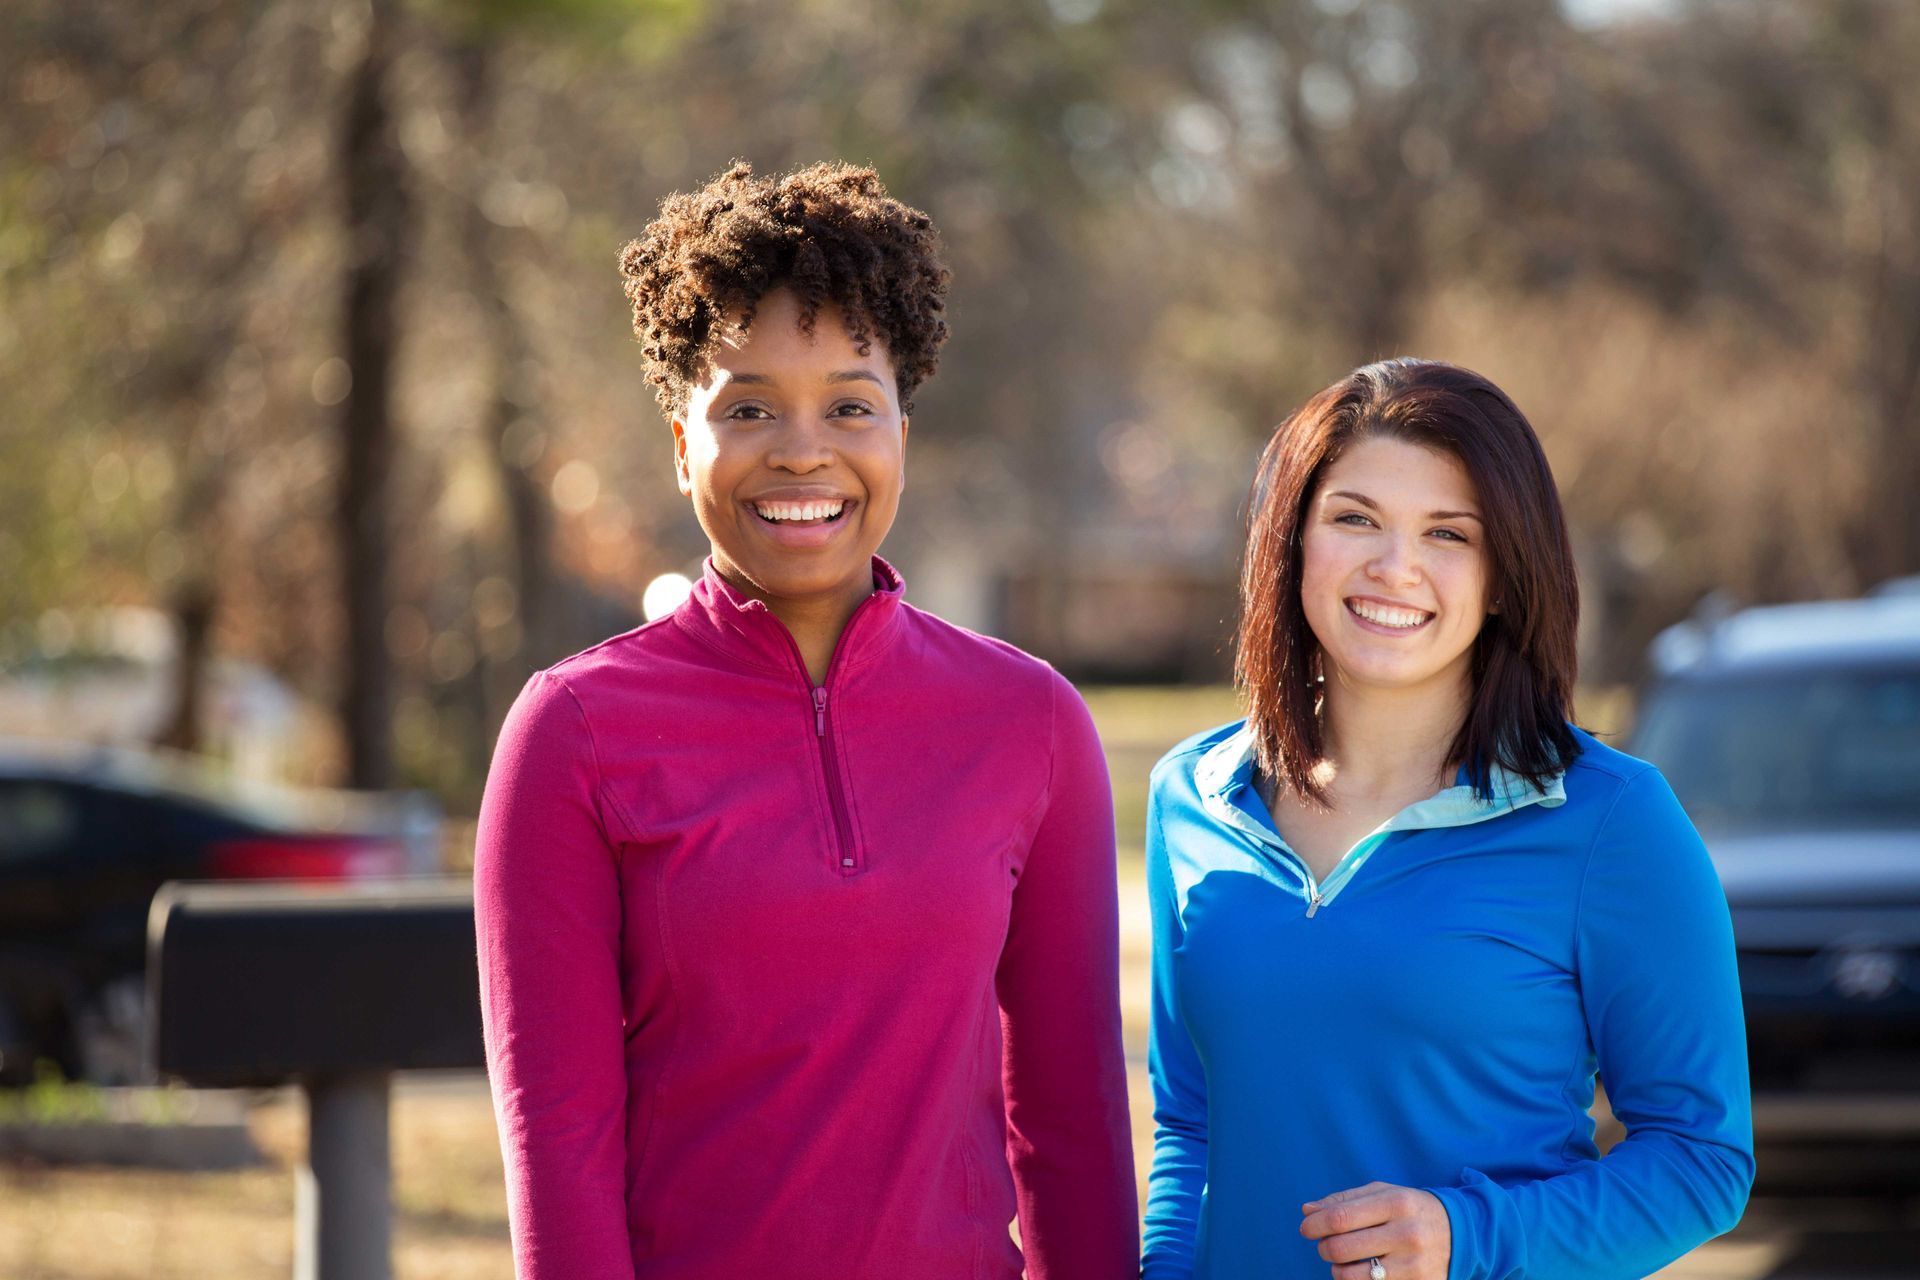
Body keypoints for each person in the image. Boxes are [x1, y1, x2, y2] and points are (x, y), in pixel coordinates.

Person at [473, 160, 1137, 1280]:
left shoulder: (1032, 724)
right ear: (683, 444)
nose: (800, 449)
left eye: (848, 403)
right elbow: (560, 1145)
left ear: (900, 435)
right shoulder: (572, 733)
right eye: (747, 407)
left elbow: (1072, 1122)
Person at [1141, 359, 1753, 1280]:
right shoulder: (1191, 795)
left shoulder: (1612, 824)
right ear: (1293, 543)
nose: (1396, 567)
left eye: (1449, 533)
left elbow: (1702, 1160)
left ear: (1505, 576)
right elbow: (1192, 1119)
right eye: (1355, 518)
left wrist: (1469, 1238)